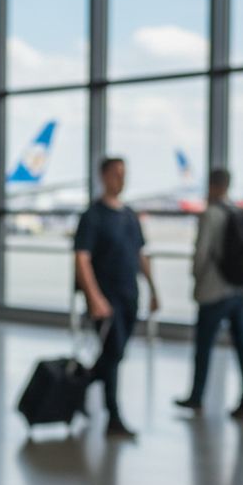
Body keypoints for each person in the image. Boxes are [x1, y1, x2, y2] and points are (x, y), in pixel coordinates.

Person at [73, 157, 160, 438]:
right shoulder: (93, 216)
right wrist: (94, 298)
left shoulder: (130, 215)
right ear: (103, 176)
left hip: (128, 297)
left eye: (124, 174)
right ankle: (113, 415)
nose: (121, 180)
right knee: (112, 353)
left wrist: (153, 289)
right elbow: (82, 259)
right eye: (115, 174)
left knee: (116, 355)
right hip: (105, 300)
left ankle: (83, 383)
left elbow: (140, 255)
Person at [175, 168, 243, 421]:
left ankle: (197, 396)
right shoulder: (239, 211)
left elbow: (201, 254)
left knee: (204, 346)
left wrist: (197, 279)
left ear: (212, 186)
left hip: (215, 291)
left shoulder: (210, 214)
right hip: (241, 291)